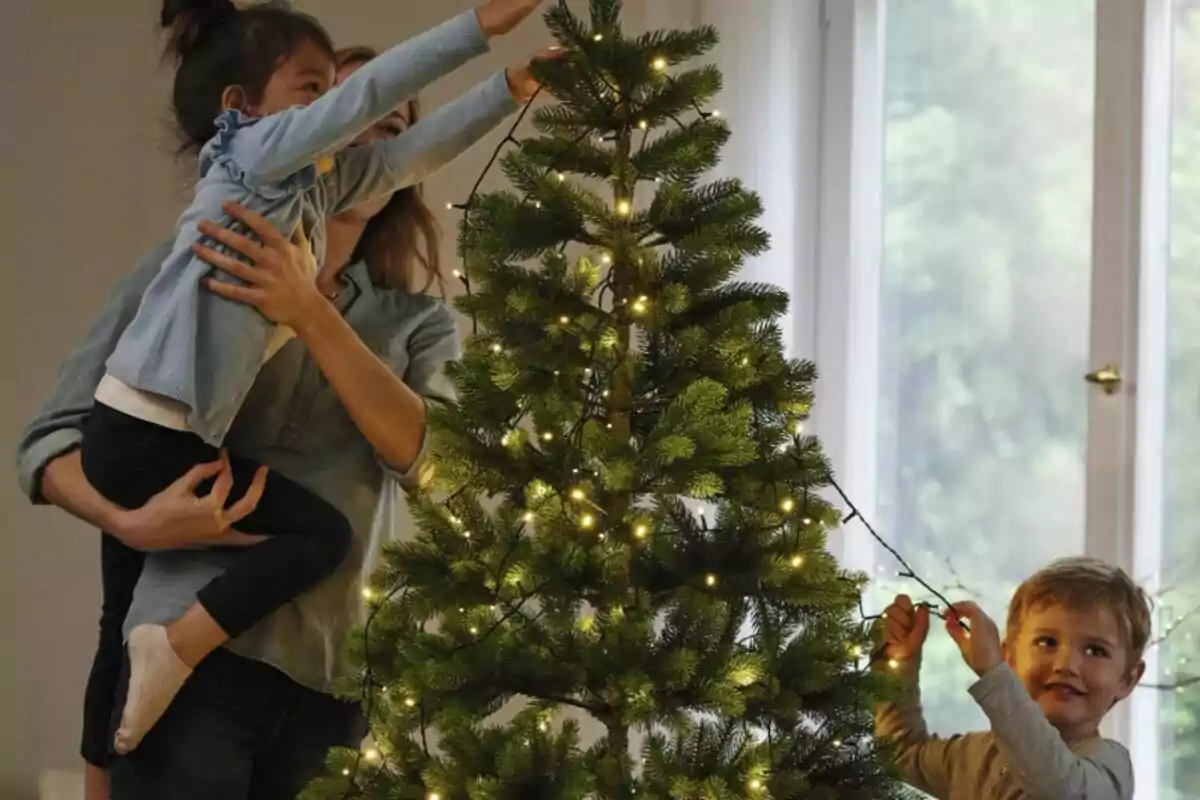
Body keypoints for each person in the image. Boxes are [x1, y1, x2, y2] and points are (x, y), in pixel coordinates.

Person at [16, 33, 550, 800]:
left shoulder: (417, 324)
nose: (368, 137)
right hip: (191, 669)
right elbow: (51, 438)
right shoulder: (202, 255)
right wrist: (129, 523)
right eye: (347, 111)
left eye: (393, 129)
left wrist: (309, 311)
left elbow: (438, 468)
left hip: (334, 685)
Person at [875, 556, 1152, 799]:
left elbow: (1059, 788)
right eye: (1046, 642)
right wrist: (899, 663)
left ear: (1127, 679)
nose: (1066, 664)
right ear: (1009, 656)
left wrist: (994, 674)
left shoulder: (1110, 766)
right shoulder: (972, 755)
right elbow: (900, 753)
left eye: (1095, 650)